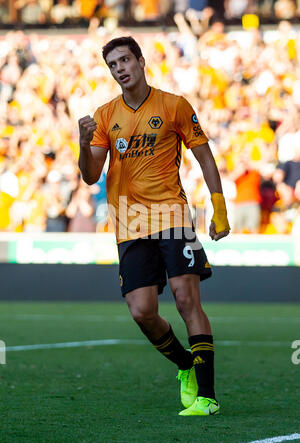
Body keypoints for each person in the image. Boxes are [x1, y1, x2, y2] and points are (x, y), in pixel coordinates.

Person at [78, 36, 230, 416]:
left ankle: (208, 397)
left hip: (172, 216)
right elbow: (90, 176)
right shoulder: (103, 116)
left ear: (141, 61)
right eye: (113, 65)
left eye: (125, 60)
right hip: (128, 221)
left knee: (185, 299)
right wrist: (83, 144)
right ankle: (185, 366)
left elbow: (205, 159)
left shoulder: (174, 106)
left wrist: (218, 207)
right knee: (142, 310)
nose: (120, 69)